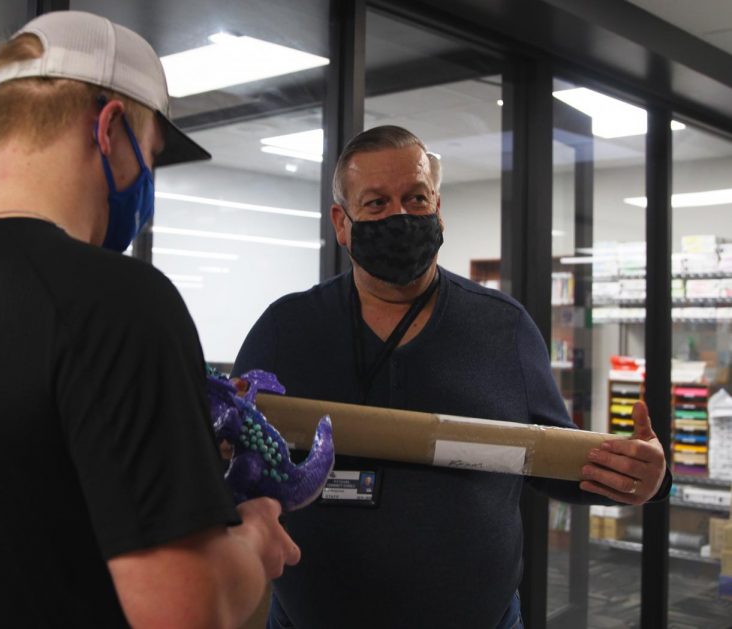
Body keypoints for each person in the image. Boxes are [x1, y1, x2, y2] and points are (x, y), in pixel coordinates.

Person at [0, 11, 299, 628]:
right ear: (110, 127)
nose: (147, 183)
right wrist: (255, 538)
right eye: (152, 155)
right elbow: (184, 611)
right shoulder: (118, 303)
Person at [233, 125, 670, 629]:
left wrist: (645, 478)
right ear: (342, 222)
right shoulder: (287, 329)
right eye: (375, 204)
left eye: (415, 198)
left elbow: (554, 458)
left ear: (438, 208)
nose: (399, 215)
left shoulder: (502, 328)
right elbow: (229, 456)